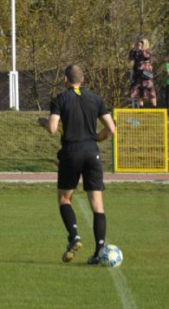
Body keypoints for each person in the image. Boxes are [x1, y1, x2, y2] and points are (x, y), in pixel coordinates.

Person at [38, 64, 116, 264]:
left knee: (65, 199)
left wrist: (44, 122)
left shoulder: (60, 99)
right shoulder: (96, 99)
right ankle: (99, 251)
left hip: (71, 152)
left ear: (65, 79)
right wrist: (97, 138)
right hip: (92, 152)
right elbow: (111, 128)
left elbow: (53, 128)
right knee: (97, 204)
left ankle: (74, 236)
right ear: (82, 79)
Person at [128, 38, 157, 108]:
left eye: (142, 42)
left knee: (150, 90)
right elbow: (131, 57)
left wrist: (141, 49)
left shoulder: (148, 51)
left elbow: (146, 56)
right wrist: (134, 48)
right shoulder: (136, 51)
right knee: (138, 90)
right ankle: (141, 107)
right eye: (139, 42)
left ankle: (154, 107)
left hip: (145, 73)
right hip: (137, 74)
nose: (140, 43)